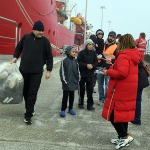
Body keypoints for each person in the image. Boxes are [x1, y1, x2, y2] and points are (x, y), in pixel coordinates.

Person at [102, 34, 140, 149]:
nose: (117, 44)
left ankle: (124, 136)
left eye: (119, 42)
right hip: (128, 89)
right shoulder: (132, 54)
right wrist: (114, 67)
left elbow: (122, 73)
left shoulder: (123, 56)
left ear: (123, 43)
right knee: (122, 114)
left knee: (114, 114)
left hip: (121, 89)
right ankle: (122, 136)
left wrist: (108, 72)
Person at [11, 20, 53, 125]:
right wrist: (15, 57)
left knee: (32, 92)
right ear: (33, 29)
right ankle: (29, 108)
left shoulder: (45, 41)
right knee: (25, 91)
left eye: (42, 31)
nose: (41, 33)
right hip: (24, 70)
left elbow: (49, 56)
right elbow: (18, 48)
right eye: (39, 30)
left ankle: (28, 115)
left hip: (37, 72)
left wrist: (49, 70)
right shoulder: (26, 38)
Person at [97, 31, 117, 105]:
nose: (111, 38)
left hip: (109, 68)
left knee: (108, 85)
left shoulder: (116, 47)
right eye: (110, 36)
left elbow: (116, 59)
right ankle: (101, 99)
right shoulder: (104, 44)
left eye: (112, 36)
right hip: (100, 67)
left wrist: (108, 67)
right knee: (100, 84)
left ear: (114, 38)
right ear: (108, 36)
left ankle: (106, 100)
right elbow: (102, 54)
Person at [59, 45, 80, 117]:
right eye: (73, 52)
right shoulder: (64, 61)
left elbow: (78, 71)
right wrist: (64, 80)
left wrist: (78, 78)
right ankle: (63, 109)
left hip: (74, 81)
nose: (74, 53)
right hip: (66, 81)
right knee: (65, 96)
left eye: (75, 52)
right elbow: (61, 72)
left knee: (72, 95)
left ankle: (70, 108)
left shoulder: (75, 61)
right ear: (68, 52)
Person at [77, 39, 98, 111]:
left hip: (90, 75)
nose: (91, 46)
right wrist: (86, 65)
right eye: (89, 44)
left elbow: (96, 62)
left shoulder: (94, 53)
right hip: (82, 74)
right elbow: (78, 62)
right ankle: (81, 103)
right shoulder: (81, 53)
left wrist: (92, 66)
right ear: (86, 45)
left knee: (90, 90)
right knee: (81, 90)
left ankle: (90, 105)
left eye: (92, 44)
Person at [131, 60, 149, 125]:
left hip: (139, 81)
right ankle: (136, 118)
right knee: (138, 100)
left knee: (137, 101)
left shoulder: (134, 59)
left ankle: (137, 119)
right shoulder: (138, 58)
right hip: (142, 80)